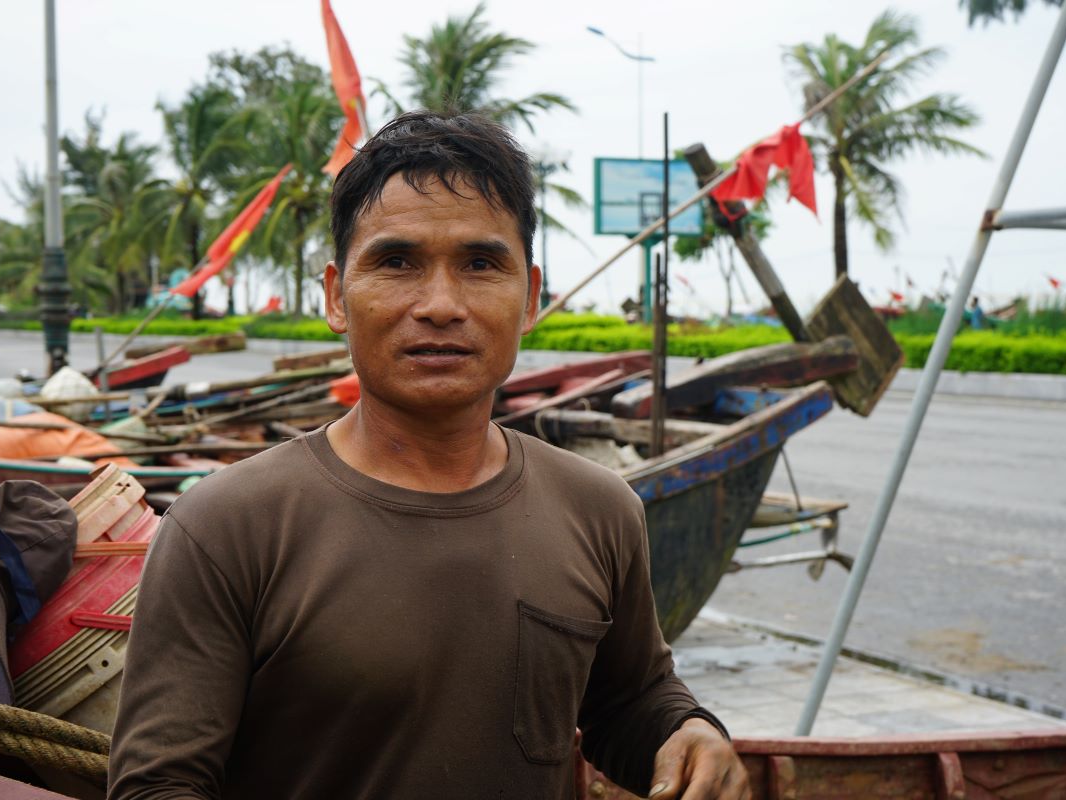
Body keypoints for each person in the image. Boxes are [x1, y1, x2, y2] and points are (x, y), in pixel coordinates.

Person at [107, 111, 749, 800]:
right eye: (396, 262)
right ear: (335, 295)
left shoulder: (600, 510)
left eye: (480, 264)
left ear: (529, 297)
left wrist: (686, 731)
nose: (441, 305)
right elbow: (159, 785)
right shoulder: (226, 528)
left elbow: (630, 700)